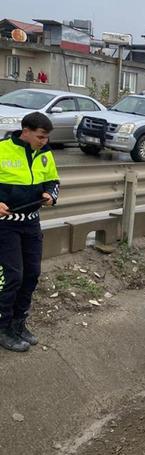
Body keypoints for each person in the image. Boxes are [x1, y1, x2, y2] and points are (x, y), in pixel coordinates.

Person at [0, 112, 59, 352]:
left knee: (32, 274)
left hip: (31, 224)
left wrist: (51, 195)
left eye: (46, 137)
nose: (44, 141)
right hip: (6, 226)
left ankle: (18, 324)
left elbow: (53, 181)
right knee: (12, 276)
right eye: (40, 137)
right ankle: (3, 328)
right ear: (25, 131)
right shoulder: (3, 149)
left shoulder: (45, 153)